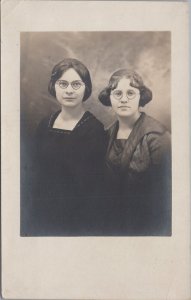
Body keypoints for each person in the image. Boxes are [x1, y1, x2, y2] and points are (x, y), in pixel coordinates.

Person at [21, 58, 107, 236]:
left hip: (77, 219)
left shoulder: (94, 130)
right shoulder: (45, 124)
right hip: (41, 213)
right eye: (63, 84)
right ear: (54, 86)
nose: (69, 90)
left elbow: (92, 188)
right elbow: (34, 173)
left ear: (86, 88)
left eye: (76, 84)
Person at [98, 69, 171, 236]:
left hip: (148, 224)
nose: (124, 99)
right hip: (112, 223)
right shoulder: (106, 133)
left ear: (141, 97)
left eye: (130, 93)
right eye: (117, 93)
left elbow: (168, 194)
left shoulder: (158, 137)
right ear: (110, 98)